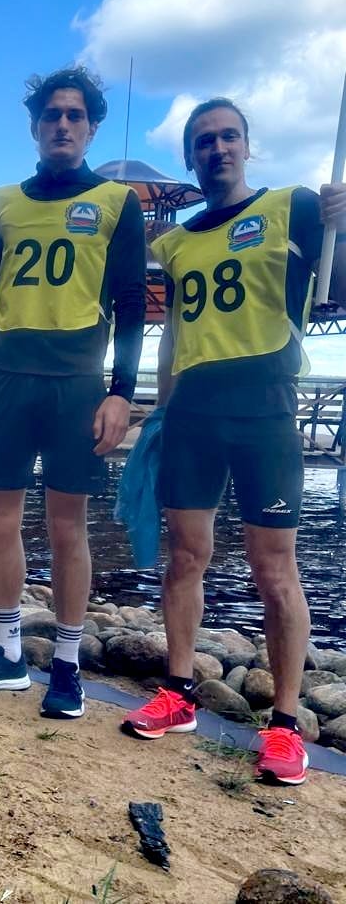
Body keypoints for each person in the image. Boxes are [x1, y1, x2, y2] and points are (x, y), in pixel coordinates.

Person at [122, 97, 346, 785]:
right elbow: (173, 335)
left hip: (264, 407)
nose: (217, 148)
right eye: (204, 140)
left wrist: (342, 224)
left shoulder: (292, 207)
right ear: (191, 156)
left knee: (273, 569)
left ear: (247, 145)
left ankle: (284, 724)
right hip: (193, 411)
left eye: (228, 137)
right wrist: (157, 413)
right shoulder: (177, 242)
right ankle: (178, 693)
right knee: (186, 556)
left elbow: (335, 278)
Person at [0, 67, 146, 717]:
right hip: (8, 375)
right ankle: (8, 653)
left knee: (68, 525)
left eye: (74, 115)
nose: (62, 125)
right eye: (52, 115)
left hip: (77, 380)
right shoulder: (5, 201)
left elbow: (130, 303)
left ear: (91, 128)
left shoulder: (117, 202)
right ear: (35, 127)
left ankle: (66, 665)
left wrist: (120, 391)